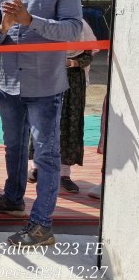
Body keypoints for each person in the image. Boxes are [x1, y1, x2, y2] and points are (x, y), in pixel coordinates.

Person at [0, 0, 82, 247]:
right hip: (9, 85)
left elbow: (73, 31)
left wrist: (29, 19)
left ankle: (41, 226)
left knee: (47, 155)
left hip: (45, 86)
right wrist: (6, 27)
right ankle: (13, 198)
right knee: (14, 148)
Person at [27, 19, 98, 193]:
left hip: (73, 82)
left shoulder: (81, 24)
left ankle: (64, 174)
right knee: (43, 121)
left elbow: (88, 53)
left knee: (69, 125)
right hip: (47, 77)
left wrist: (72, 63)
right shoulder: (45, 20)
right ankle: (38, 167)